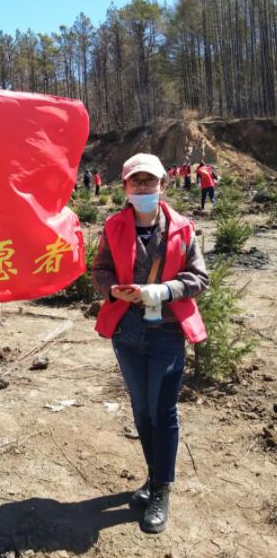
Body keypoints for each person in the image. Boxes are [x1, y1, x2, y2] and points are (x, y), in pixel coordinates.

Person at [91, 153, 209, 534]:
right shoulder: (113, 226)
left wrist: (165, 290)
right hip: (127, 332)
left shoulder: (183, 228)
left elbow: (199, 278)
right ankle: (154, 475)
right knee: (141, 408)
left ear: (163, 184)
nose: (143, 187)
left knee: (164, 410)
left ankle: (162, 489)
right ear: (125, 186)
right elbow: (100, 270)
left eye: (150, 181)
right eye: (136, 181)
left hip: (167, 331)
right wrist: (113, 290)